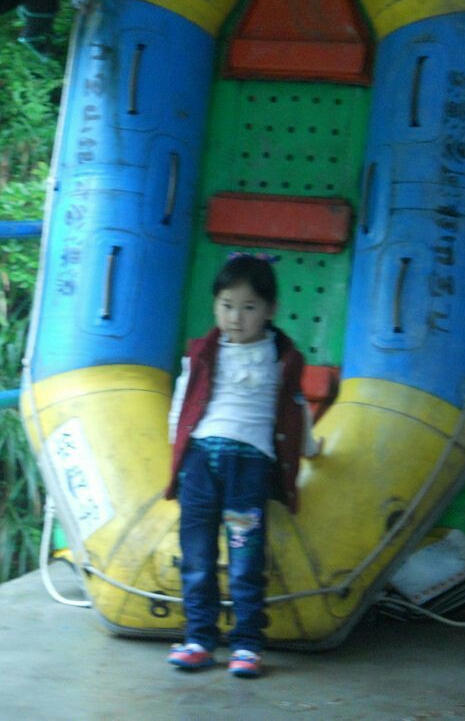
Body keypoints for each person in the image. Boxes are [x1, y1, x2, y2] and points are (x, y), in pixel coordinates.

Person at [165, 253, 322, 677]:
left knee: (245, 558)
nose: (235, 318)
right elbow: (182, 402)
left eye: (249, 307)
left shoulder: (281, 358)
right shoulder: (202, 353)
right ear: (215, 305)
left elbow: (295, 410)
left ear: (270, 310)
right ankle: (199, 639)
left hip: (248, 471)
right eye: (226, 305)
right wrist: (177, 452)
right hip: (200, 465)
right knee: (197, 557)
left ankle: (248, 645)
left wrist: (310, 448)